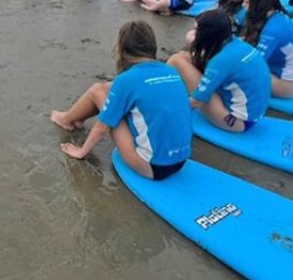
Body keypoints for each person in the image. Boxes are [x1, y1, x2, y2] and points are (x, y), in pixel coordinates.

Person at [50, 20, 192, 180]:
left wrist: (81, 152)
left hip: (152, 167)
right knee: (109, 89)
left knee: (98, 90)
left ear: (123, 49)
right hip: (181, 160)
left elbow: (102, 127)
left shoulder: (126, 80)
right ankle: (74, 118)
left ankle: (66, 119)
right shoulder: (170, 70)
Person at [168, 10, 271, 132]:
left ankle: (160, 89)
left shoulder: (220, 62)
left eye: (197, 30)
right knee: (185, 56)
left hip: (235, 120)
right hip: (252, 114)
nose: (194, 33)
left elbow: (196, 102)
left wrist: (168, 109)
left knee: (177, 60)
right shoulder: (235, 44)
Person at [242, 0, 293, 98]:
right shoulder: (274, 15)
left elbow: (254, 62)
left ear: (258, 5)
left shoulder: (273, 30)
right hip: (275, 71)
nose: (243, 5)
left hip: (288, 84)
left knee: (238, 77)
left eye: (246, 2)